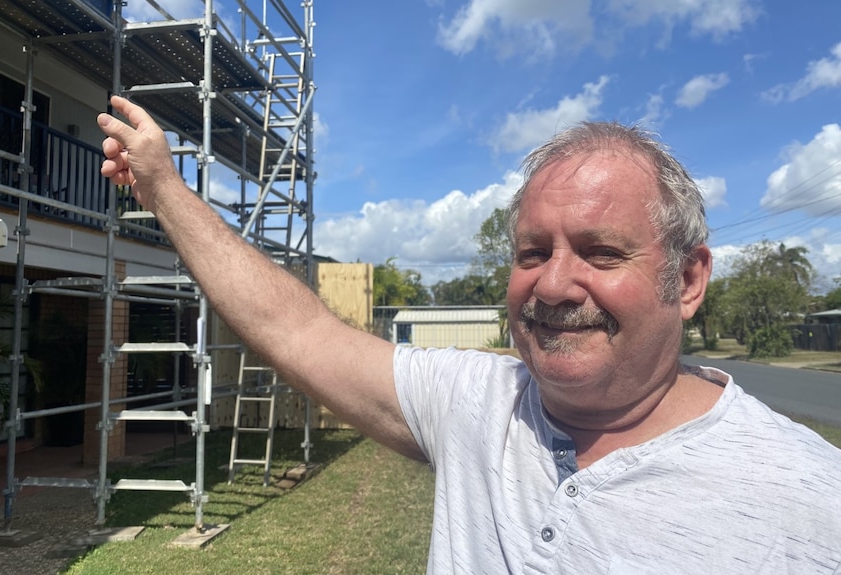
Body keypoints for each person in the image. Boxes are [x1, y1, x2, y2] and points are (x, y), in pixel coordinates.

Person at [98, 96, 841, 574]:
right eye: (531, 252)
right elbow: (294, 327)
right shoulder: (475, 403)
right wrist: (164, 187)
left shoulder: (809, 498)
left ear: (687, 280)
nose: (553, 284)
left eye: (601, 251)